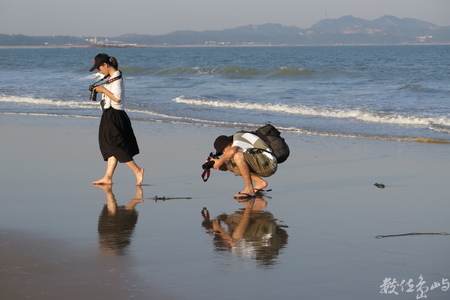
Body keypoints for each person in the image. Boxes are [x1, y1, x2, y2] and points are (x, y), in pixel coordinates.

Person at [89, 53, 144, 186]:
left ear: (105, 65)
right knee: (108, 146)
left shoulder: (117, 78)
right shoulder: (111, 77)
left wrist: (103, 90)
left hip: (115, 115)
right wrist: (101, 89)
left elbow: (117, 98)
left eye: (99, 67)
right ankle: (108, 177)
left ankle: (137, 170)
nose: (98, 70)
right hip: (109, 114)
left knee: (115, 146)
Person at [209, 130, 277, 199]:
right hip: (262, 164)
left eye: (223, 150)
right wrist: (213, 164)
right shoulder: (239, 147)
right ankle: (260, 182)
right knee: (231, 163)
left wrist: (220, 160)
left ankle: (249, 189)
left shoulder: (239, 137)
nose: (224, 153)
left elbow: (232, 151)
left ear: (228, 143)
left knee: (238, 156)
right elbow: (228, 167)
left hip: (269, 163)